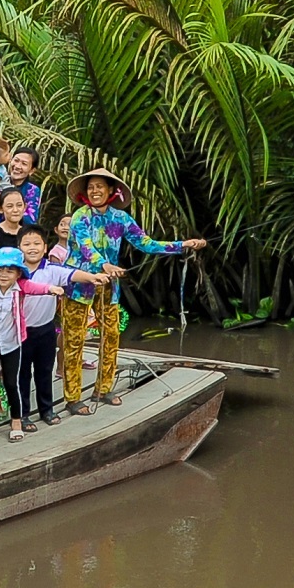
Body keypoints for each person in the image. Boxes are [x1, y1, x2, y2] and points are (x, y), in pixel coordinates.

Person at [62, 168, 207, 409]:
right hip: (80, 286)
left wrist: (184, 244)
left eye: (100, 186)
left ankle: (103, 390)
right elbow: (87, 248)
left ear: (111, 191)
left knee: (110, 338)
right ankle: (72, 398)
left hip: (109, 288)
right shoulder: (80, 216)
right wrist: (105, 265)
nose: (95, 191)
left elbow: (146, 244)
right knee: (74, 341)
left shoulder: (121, 218)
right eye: (90, 187)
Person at [0, 247, 97, 442]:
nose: (4, 275)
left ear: (18, 273)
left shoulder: (20, 287)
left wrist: (51, 289)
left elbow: (35, 288)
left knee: (13, 383)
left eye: (10, 270)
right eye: (0, 270)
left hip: (11, 343)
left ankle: (16, 420)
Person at [17, 225, 70, 428]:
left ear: (45, 247)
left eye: (37, 243)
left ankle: (46, 409)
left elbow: (73, 275)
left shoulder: (52, 269)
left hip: (45, 330)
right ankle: (22, 414)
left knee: (45, 371)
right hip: (20, 332)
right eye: (27, 244)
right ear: (19, 247)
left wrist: (94, 278)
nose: (32, 248)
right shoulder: (14, 272)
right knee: (21, 374)